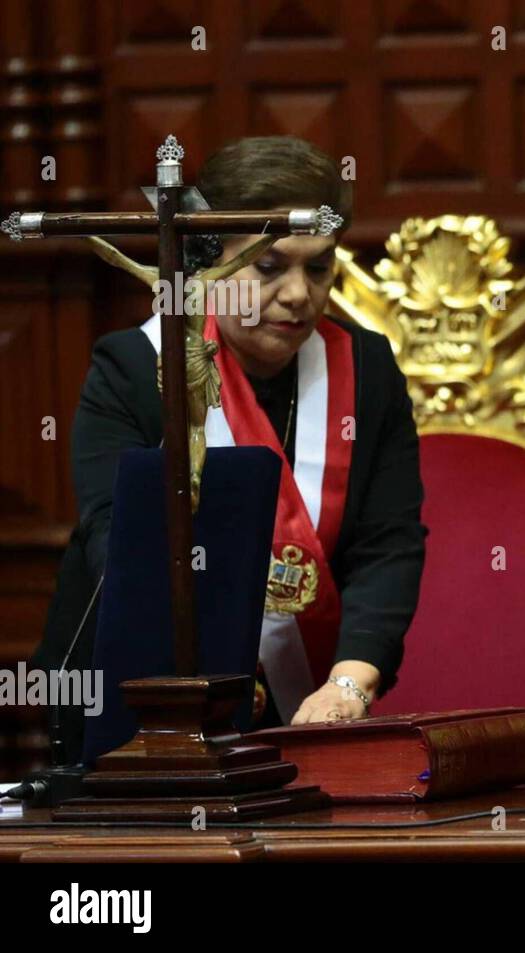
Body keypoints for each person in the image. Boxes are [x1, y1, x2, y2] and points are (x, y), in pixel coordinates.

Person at [32, 136, 427, 755]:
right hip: (140, 702)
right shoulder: (136, 368)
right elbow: (119, 547)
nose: (299, 293)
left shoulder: (368, 369)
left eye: (319, 267)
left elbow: (389, 545)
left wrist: (351, 681)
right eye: (270, 268)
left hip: (313, 714)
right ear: (207, 263)